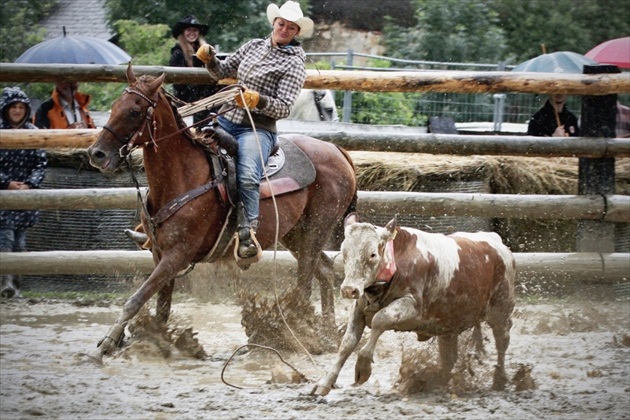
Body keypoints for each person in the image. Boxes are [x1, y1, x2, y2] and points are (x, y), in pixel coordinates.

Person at [196, 0, 313, 263]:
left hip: (256, 130)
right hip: (224, 120)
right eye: (281, 23)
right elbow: (223, 71)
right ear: (274, 23)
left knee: (248, 176)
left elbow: (283, 108)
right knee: (187, 156)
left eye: (290, 27)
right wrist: (210, 59)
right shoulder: (252, 47)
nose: (284, 29)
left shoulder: (295, 63)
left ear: (296, 32)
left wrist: (257, 100)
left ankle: (248, 232)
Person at [0, 87, 47, 298]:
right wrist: (6, 183)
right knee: (5, 239)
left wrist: (29, 185)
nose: (17, 111)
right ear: (6, 109)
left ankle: (16, 287)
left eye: (21, 107)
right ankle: (5, 285)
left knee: (20, 242)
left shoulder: (34, 132)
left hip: (26, 196)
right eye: (14, 107)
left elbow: (40, 164)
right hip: (3, 196)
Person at [169, 15, 220, 124]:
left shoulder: (206, 50)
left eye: (195, 30)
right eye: (188, 30)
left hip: (208, 101)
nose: (192, 33)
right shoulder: (177, 53)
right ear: (183, 32)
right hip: (187, 102)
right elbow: (178, 82)